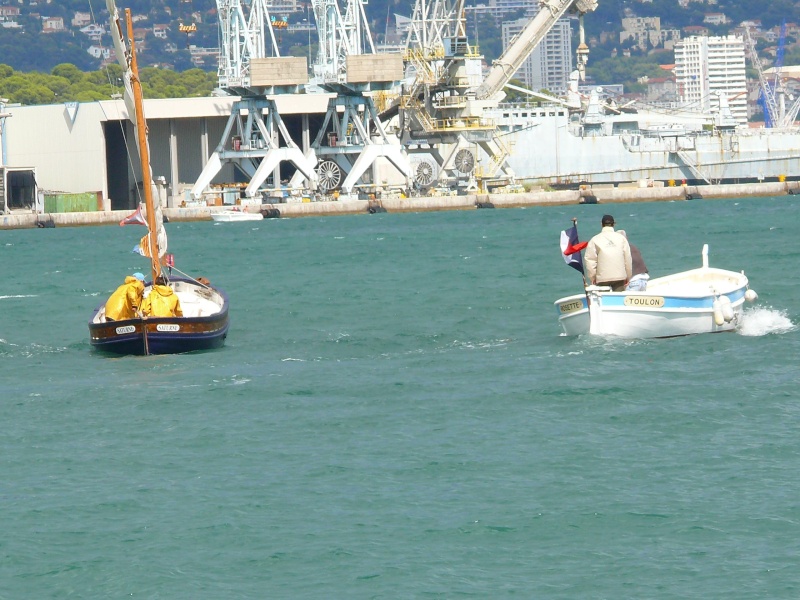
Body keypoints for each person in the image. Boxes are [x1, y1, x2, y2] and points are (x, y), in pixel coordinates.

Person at [585, 214, 632, 292]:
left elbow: (590, 260)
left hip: (602, 277)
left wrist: (592, 277)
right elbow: (627, 259)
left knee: (603, 300)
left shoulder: (595, 239)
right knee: (618, 300)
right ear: (614, 224)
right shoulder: (622, 238)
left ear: (601, 224)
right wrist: (628, 276)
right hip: (619, 276)